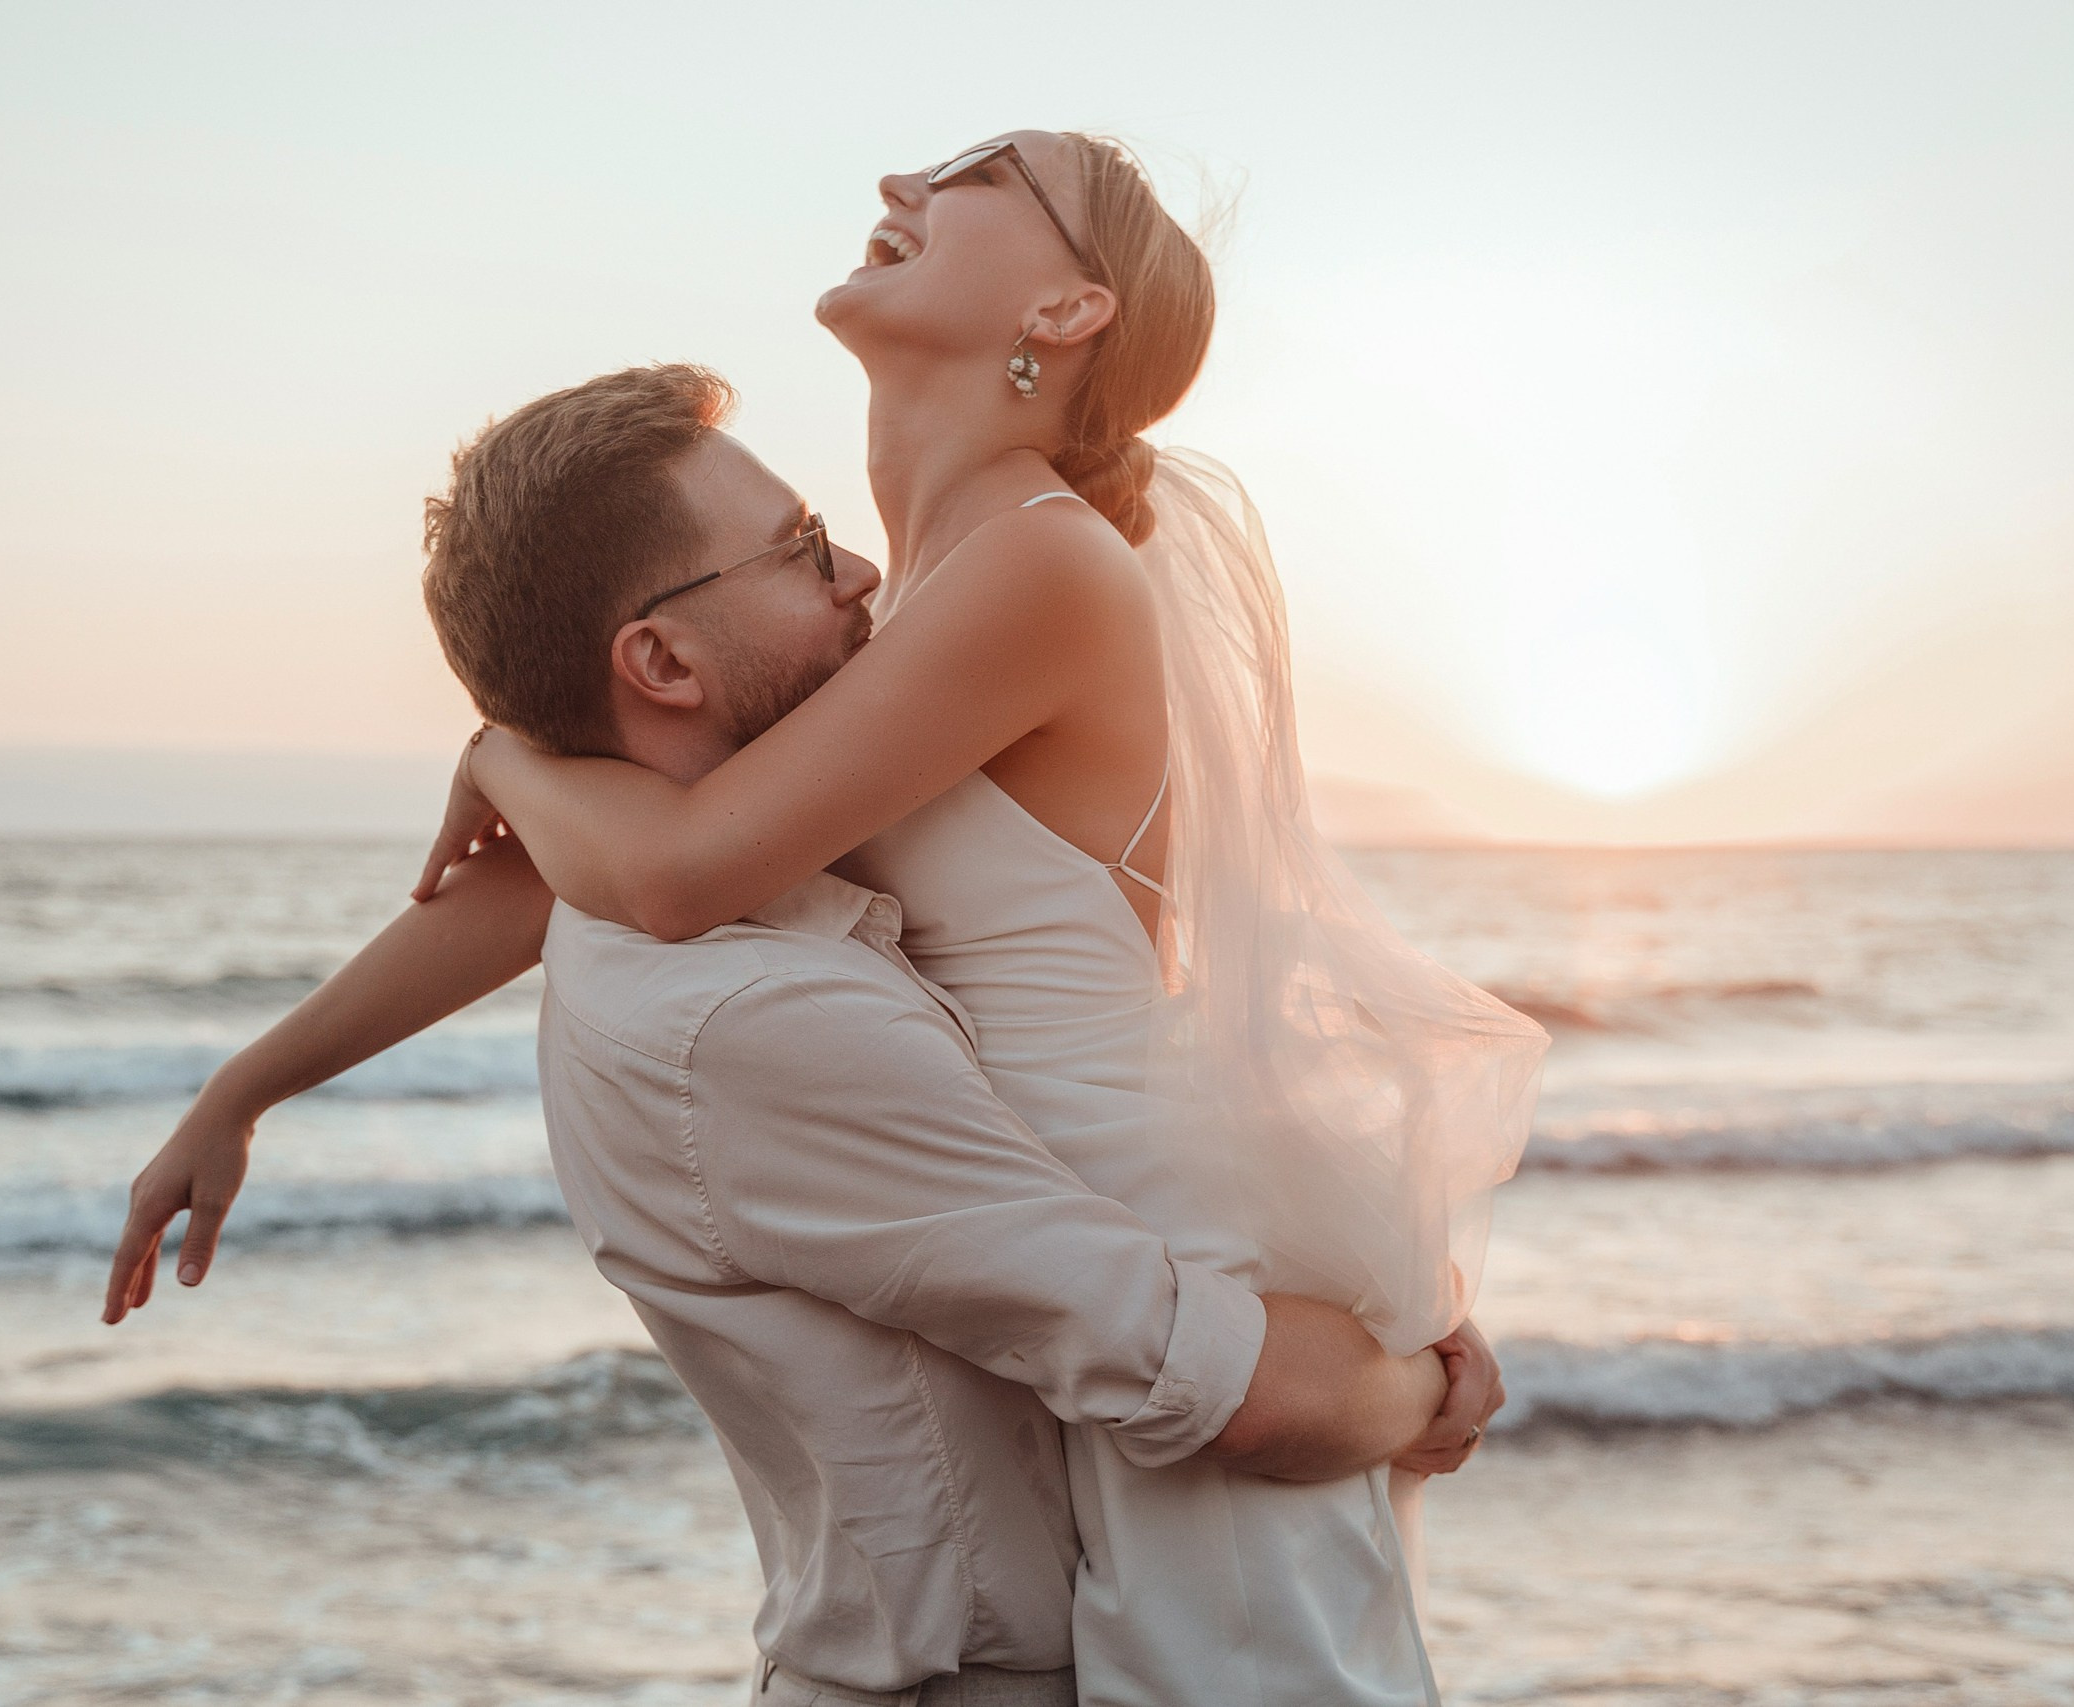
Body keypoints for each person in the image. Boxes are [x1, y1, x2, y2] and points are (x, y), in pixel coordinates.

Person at [105, 364, 1500, 1705]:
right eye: (803, 550)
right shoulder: (755, 1015)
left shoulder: (694, 876)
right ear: (656, 658)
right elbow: (1219, 1389)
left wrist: (254, 1076)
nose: (865, 579)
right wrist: (1414, 1391)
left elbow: (566, 876)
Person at [415, 134, 1548, 1705]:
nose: (901, 183)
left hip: (1153, 1242)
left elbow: (668, 869)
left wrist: (494, 750)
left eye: (976, 175)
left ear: (1070, 309)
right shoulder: (907, 591)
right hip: (1052, 1257)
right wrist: (254, 1084)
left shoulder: (1042, 569)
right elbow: (608, 863)